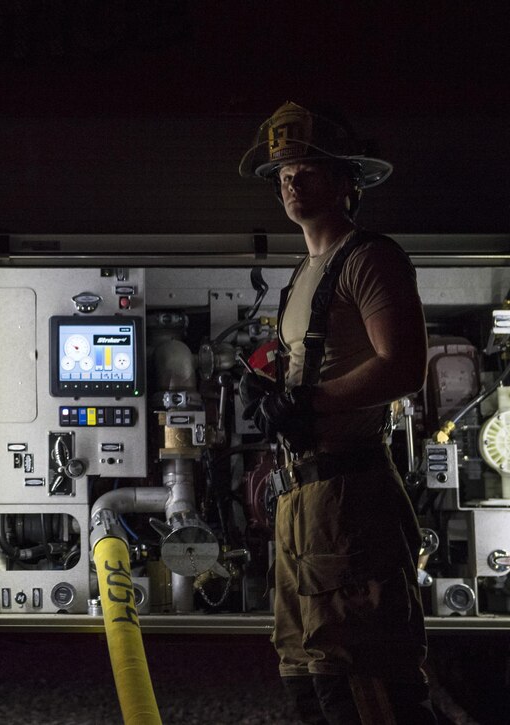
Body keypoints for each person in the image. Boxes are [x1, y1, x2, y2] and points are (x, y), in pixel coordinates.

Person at [237, 102, 436, 724]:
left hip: (350, 500)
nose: (291, 182)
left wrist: (308, 401)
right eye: (283, 173)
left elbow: (403, 367)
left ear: (348, 181)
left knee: (363, 679)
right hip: (301, 501)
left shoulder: (370, 258)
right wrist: (268, 388)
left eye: (307, 170)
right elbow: (312, 367)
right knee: (308, 674)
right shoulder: (302, 273)